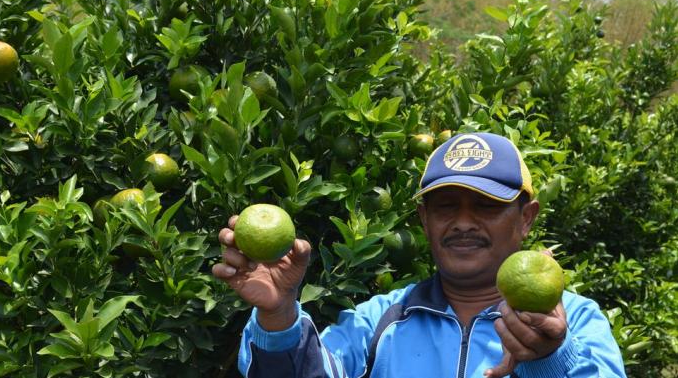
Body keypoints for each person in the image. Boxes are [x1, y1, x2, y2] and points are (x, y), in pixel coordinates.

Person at [212, 132, 627, 378]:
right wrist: (279, 315)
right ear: (424, 220)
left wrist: (549, 360)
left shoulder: (576, 324)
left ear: (525, 219)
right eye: (447, 206)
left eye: (486, 205)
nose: (463, 222)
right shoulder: (379, 321)